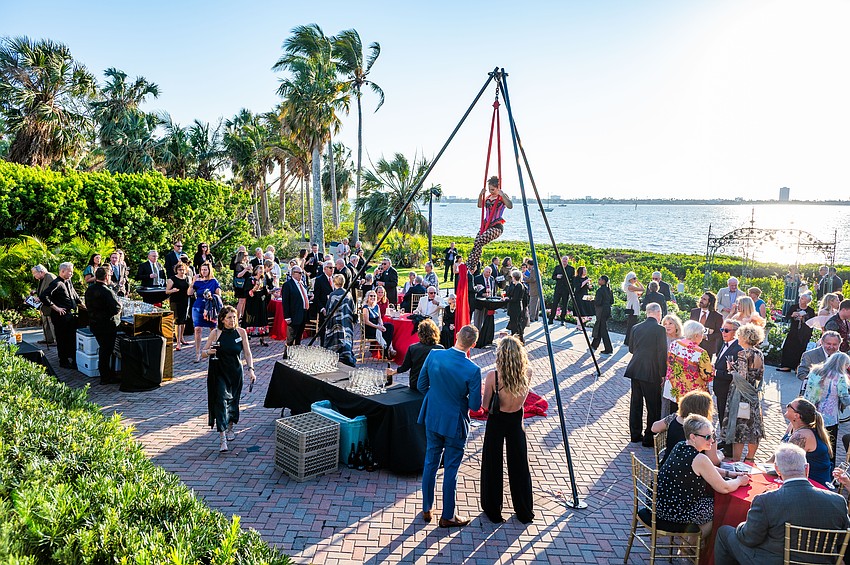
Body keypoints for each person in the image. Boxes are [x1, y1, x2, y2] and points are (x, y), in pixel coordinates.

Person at [715, 443, 849, 565]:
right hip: (823, 562)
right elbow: (843, 539)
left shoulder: (766, 500)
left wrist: (741, 525)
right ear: (807, 469)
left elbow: (749, 538)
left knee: (724, 532)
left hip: (774, 560)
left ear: (777, 470)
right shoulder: (838, 501)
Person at [417, 324, 482, 528]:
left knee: (430, 462)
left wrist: (437, 397)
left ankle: (427, 508)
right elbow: (474, 405)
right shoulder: (473, 369)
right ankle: (448, 516)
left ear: (456, 336)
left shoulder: (435, 355)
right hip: (454, 423)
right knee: (451, 469)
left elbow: (421, 385)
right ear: (474, 344)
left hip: (433, 416)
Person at [654, 415, 750, 542]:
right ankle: (689, 545)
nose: (712, 441)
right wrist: (739, 481)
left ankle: (694, 543)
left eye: (713, 436)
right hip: (673, 511)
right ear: (693, 437)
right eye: (707, 437)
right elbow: (724, 488)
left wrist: (730, 474)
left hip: (660, 504)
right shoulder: (700, 459)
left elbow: (708, 468)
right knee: (720, 508)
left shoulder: (681, 445)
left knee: (710, 502)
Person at [480, 336, 534, 524]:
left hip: (497, 420)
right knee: (519, 466)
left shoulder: (493, 376)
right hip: (516, 419)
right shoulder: (527, 372)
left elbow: (485, 406)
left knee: (492, 464)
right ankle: (524, 511)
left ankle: (493, 509)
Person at [200, 305, 255, 453]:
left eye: (234, 317)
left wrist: (251, 370)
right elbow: (203, 353)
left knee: (233, 402)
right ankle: (222, 437)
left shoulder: (241, 332)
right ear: (222, 320)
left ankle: (230, 427)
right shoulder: (216, 333)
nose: (232, 320)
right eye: (229, 317)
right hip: (218, 372)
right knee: (220, 402)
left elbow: (248, 353)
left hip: (236, 372)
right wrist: (209, 351)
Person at [721, 323, 765, 463]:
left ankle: (736, 459)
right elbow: (758, 376)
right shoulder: (759, 353)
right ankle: (750, 458)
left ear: (745, 337)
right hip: (753, 394)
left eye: (739, 335)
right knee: (753, 426)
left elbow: (742, 377)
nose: (737, 337)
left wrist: (731, 369)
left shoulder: (743, 353)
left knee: (739, 427)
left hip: (740, 395)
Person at [624, 302, 667, 447]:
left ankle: (635, 435)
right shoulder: (660, 329)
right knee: (653, 405)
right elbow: (661, 353)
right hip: (651, 371)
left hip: (635, 368)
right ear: (658, 313)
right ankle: (649, 437)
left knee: (636, 403)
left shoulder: (636, 327)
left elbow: (631, 349)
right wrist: (663, 373)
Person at [651, 390, 725, 466]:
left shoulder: (674, 418)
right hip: (693, 469)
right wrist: (720, 455)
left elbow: (654, 428)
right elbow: (714, 461)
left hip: (669, 465)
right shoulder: (706, 428)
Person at [804, 352, 850, 466]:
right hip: (829, 417)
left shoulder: (815, 371)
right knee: (828, 445)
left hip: (809, 412)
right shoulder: (840, 377)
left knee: (809, 440)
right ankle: (826, 470)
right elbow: (845, 399)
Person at [774, 397, 833, 486]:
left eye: (789, 406)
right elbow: (778, 455)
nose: (787, 406)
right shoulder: (793, 426)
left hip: (814, 484)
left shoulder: (802, 435)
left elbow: (787, 462)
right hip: (801, 479)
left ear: (796, 415)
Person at [663, 320, 714, 417]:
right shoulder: (701, 352)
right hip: (690, 393)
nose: (702, 337)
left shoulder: (675, 344)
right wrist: (712, 369)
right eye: (702, 334)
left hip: (673, 387)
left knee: (674, 415)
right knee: (688, 418)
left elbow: (669, 363)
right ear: (696, 335)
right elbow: (707, 376)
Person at [40, 262, 85, 369]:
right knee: (62, 339)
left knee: (71, 338)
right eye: (70, 271)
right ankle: (63, 361)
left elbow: (74, 295)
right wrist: (56, 307)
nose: (72, 274)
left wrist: (84, 306)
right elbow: (44, 296)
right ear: (63, 271)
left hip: (70, 315)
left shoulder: (68, 281)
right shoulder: (56, 283)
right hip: (60, 316)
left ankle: (73, 359)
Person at [84, 266, 122, 384]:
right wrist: (120, 306)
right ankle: (106, 376)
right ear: (106, 277)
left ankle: (107, 373)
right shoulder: (106, 291)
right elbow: (116, 308)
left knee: (103, 349)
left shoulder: (89, 290)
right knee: (106, 351)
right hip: (107, 325)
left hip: (95, 323)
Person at [468, 176, 513, 274]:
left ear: (498, 188)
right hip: (486, 225)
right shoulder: (488, 197)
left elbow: (510, 206)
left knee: (480, 241)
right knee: (476, 242)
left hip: (496, 226)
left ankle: (472, 265)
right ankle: (472, 265)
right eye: (489, 189)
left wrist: (502, 194)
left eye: (493, 189)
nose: (491, 191)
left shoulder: (502, 197)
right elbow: (480, 205)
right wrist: (480, 195)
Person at [388, 318, 443, 390]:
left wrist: (393, 372)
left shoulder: (413, 348)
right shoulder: (440, 348)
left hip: (416, 383)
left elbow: (405, 367)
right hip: (433, 384)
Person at [713, 319, 743, 434]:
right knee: (721, 415)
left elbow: (734, 374)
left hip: (728, 389)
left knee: (727, 417)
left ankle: (728, 446)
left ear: (736, 332)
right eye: (722, 330)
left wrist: (715, 372)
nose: (723, 333)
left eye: (726, 330)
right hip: (720, 388)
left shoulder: (738, 349)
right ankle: (724, 440)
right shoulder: (725, 344)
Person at [189, 262, 222, 363]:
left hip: (210, 308)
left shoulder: (213, 281)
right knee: (197, 329)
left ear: (209, 270)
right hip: (198, 308)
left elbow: (219, 294)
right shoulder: (198, 282)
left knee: (213, 329)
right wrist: (193, 281)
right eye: (202, 270)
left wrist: (212, 296)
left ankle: (214, 351)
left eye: (205, 270)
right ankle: (198, 353)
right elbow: (189, 293)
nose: (203, 272)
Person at [323, 274, 357, 367]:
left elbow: (329, 310)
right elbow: (353, 309)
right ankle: (347, 356)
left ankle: (334, 358)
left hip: (335, 322)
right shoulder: (348, 294)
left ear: (334, 283)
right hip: (346, 321)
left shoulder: (333, 295)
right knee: (346, 339)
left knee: (335, 339)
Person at [778, 292, 816, 371]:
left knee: (801, 349)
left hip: (804, 332)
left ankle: (797, 367)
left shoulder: (810, 310)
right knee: (788, 347)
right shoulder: (794, 307)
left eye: (803, 299)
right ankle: (786, 365)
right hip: (794, 331)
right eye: (800, 298)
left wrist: (804, 318)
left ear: (807, 302)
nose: (800, 300)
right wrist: (792, 315)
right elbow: (787, 317)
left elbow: (812, 322)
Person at [797, 330, 842, 396]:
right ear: (822, 342)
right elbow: (801, 373)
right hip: (812, 394)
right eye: (828, 344)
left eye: (835, 344)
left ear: (839, 344)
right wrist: (817, 382)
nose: (831, 347)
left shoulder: (842, 358)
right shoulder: (809, 355)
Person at [165, 262, 191, 351]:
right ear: (176, 270)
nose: (182, 271)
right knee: (177, 321)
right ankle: (178, 342)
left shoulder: (188, 278)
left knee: (183, 320)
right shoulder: (172, 279)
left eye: (183, 269)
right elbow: (166, 291)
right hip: (175, 302)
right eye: (180, 270)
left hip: (185, 301)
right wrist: (173, 290)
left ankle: (182, 338)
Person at [282, 265, 310, 347]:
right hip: (294, 315)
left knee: (298, 338)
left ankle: (296, 355)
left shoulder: (302, 284)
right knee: (291, 338)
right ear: (293, 273)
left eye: (302, 273)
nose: (302, 275)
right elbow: (285, 302)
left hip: (303, 313)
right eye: (300, 273)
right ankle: (286, 356)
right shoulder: (288, 285)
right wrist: (287, 317)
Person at [362, 290, 395, 358]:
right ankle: (386, 351)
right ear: (367, 297)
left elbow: (379, 318)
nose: (373, 297)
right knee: (385, 331)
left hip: (377, 325)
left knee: (389, 326)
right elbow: (366, 321)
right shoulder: (365, 308)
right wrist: (378, 327)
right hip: (370, 328)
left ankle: (386, 349)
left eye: (374, 296)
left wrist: (381, 325)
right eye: (371, 296)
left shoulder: (376, 306)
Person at [244, 264, 271, 346]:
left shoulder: (263, 279)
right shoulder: (250, 279)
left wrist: (269, 292)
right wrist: (255, 288)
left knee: (262, 318)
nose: (261, 270)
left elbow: (266, 290)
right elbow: (247, 292)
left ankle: (262, 338)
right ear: (255, 270)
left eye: (262, 269)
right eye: (260, 269)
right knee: (251, 319)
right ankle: (247, 338)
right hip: (252, 302)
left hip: (261, 302)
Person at [690, 291, 723, 357]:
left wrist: (706, 336)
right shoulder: (694, 312)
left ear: (710, 302)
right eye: (701, 298)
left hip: (708, 349)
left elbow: (719, 333)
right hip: (693, 346)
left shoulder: (717, 316)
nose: (701, 300)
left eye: (704, 299)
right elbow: (690, 327)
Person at [472, 266, 498, 347]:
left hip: (488, 303)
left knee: (486, 321)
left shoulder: (492, 279)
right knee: (477, 322)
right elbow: (474, 290)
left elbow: (493, 289)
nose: (488, 274)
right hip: (479, 303)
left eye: (490, 273)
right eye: (487, 272)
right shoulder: (477, 278)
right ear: (484, 271)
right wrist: (482, 294)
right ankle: (476, 339)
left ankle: (485, 338)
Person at [31, 264, 56, 345]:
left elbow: (51, 291)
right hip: (45, 304)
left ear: (41, 272)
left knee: (51, 322)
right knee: (46, 322)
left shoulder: (49, 277)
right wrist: (36, 292)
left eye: (35, 273)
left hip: (51, 304)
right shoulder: (42, 278)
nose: (34, 275)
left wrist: (40, 298)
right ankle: (48, 339)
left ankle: (56, 340)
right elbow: (43, 290)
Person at [590, 275, 614, 354]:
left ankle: (608, 348)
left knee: (603, 329)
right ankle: (594, 344)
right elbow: (612, 301)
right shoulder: (609, 290)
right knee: (600, 327)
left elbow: (598, 302)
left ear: (603, 281)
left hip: (601, 311)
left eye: (599, 279)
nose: (598, 280)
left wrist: (593, 300)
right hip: (607, 310)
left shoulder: (600, 290)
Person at [312, 262, 335, 343]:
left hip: (334, 309)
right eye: (330, 268)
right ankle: (323, 345)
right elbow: (316, 297)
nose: (332, 270)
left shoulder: (335, 279)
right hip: (324, 309)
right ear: (325, 269)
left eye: (333, 267)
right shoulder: (319, 279)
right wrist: (322, 309)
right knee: (323, 330)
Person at [549, 256, 575, 327]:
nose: (564, 261)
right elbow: (553, 276)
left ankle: (562, 320)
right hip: (558, 288)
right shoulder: (557, 267)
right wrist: (557, 276)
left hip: (566, 289)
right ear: (561, 260)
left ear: (568, 261)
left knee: (565, 305)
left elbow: (573, 280)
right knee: (555, 303)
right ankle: (551, 318)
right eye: (563, 259)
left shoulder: (571, 269)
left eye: (566, 260)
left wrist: (572, 291)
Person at [504, 270, 528, 343]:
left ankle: (517, 339)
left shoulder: (518, 286)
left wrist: (507, 299)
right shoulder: (519, 285)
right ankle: (518, 338)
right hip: (516, 306)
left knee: (515, 324)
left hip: (515, 306)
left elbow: (515, 298)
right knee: (516, 323)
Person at [621, 272, 643, 346]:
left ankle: (628, 341)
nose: (635, 279)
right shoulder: (630, 287)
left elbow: (640, 292)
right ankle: (628, 341)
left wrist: (636, 282)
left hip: (632, 305)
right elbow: (642, 289)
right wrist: (638, 282)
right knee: (631, 324)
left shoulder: (631, 287)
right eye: (634, 278)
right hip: (632, 307)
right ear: (630, 279)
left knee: (632, 324)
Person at [232, 250, 252, 323]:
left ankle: (243, 317)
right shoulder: (239, 264)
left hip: (246, 285)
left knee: (244, 301)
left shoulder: (245, 264)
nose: (247, 257)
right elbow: (238, 275)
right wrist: (246, 269)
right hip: (240, 285)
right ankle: (237, 317)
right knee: (241, 301)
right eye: (246, 255)